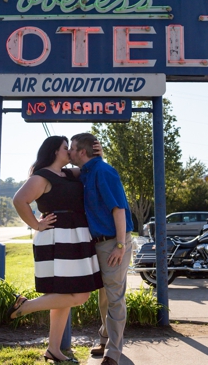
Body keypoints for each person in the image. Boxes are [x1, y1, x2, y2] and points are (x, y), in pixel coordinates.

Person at [11, 135, 103, 363]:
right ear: (55, 151)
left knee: (64, 294)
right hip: (57, 238)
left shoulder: (69, 174)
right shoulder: (42, 176)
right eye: (66, 148)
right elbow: (19, 200)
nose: (70, 152)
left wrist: (98, 155)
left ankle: (53, 349)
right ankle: (26, 306)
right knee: (80, 295)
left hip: (77, 236)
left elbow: (90, 170)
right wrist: (36, 224)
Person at [69, 133, 134, 365]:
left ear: (82, 152)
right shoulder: (87, 172)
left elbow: (119, 210)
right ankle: (105, 340)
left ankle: (113, 353)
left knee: (115, 297)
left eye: (72, 148)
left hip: (113, 242)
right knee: (104, 297)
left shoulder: (104, 172)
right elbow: (66, 172)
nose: (69, 152)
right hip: (98, 242)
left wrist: (119, 245)